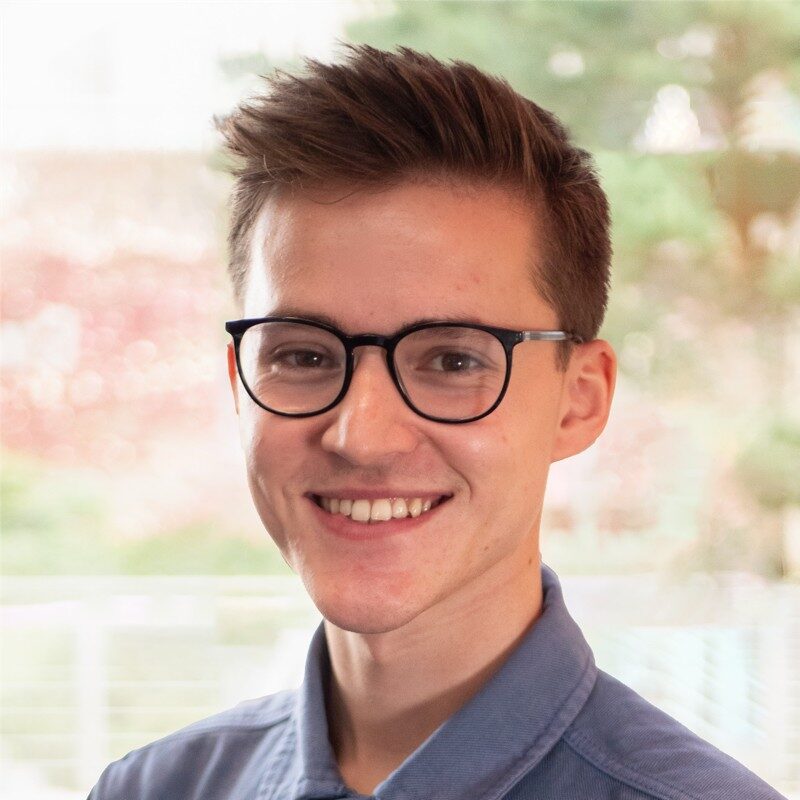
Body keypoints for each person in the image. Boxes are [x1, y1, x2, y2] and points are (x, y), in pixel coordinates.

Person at [88, 44, 785, 800]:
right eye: (304, 355)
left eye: (453, 361)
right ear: (240, 383)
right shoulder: (150, 789)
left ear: (579, 400)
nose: (361, 436)